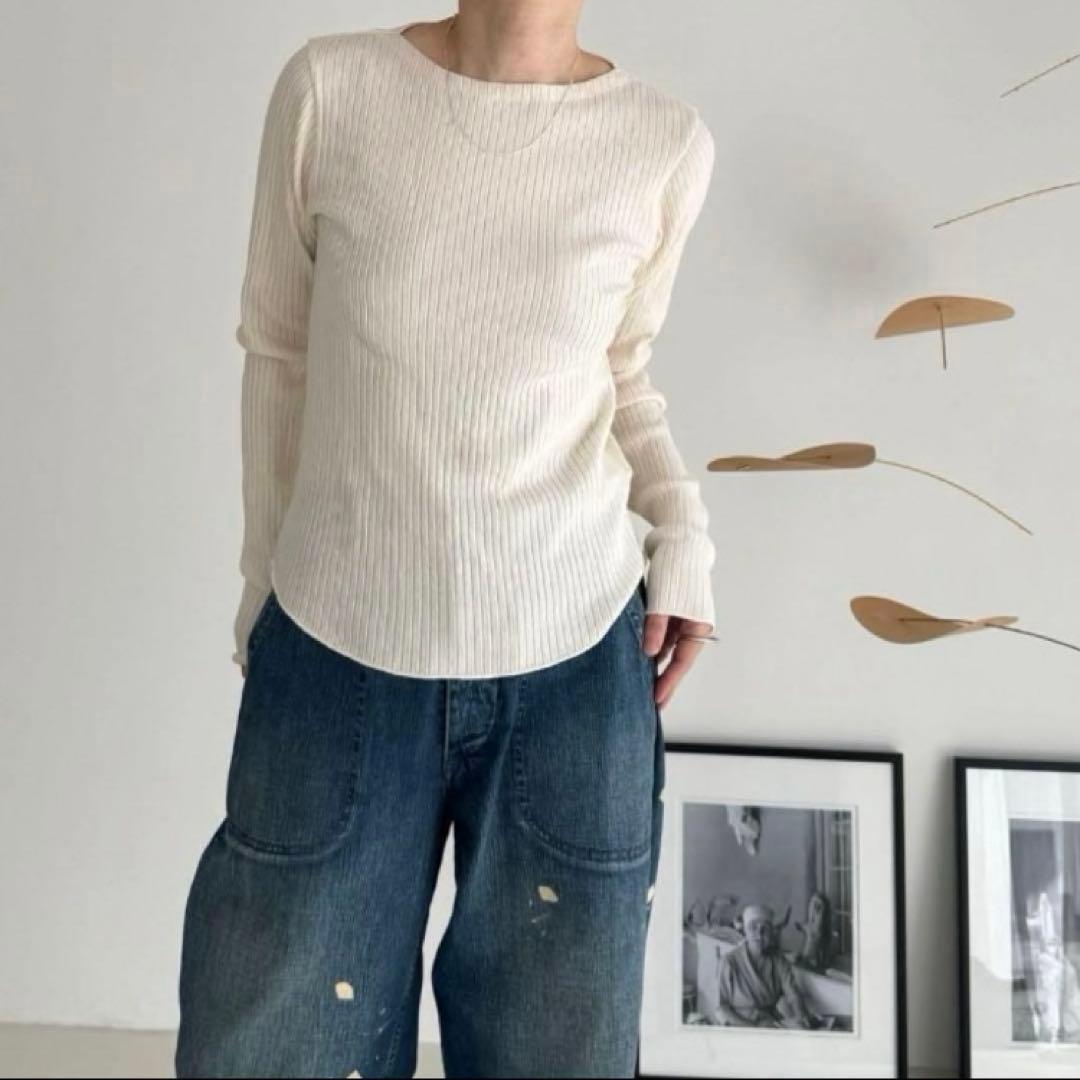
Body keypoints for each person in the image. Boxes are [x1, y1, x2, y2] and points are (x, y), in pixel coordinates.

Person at [175, 4, 718, 1077]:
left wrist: (684, 531)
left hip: (575, 663)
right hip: (334, 645)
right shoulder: (332, 92)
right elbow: (279, 352)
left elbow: (620, 371)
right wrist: (264, 596)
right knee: (276, 1050)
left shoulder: (663, 142)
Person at [713, 905, 817, 1029]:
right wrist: (753, 1028)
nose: (759, 933)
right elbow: (722, 1008)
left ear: (771, 933)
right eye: (753, 927)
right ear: (745, 931)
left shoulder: (779, 961)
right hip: (740, 1025)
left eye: (765, 928)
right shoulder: (729, 962)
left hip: (769, 1023)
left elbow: (793, 994)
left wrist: (801, 1015)